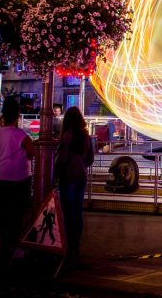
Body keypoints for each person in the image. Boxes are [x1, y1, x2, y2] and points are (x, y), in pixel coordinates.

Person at [0, 96, 35, 266]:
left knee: (3, 214)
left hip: (0, 176)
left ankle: (2, 249)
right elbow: (34, 152)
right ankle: (15, 249)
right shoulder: (21, 134)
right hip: (19, 178)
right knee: (17, 215)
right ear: (17, 114)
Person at [55, 106, 94, 262]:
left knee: (67, 212)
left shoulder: (67, 136)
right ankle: (75, 246)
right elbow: (90, 159)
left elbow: (63, 159)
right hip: (81, 176)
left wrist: (57, 170)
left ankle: (67, 245)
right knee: (77, 212)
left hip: (68, 177)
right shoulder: (86, 137)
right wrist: (81, 163)